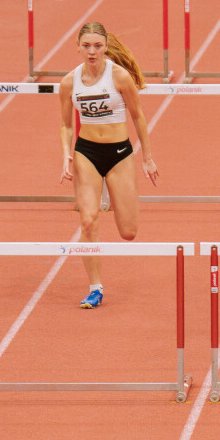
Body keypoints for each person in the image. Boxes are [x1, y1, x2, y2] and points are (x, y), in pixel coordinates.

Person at [58, 22, 157, 309]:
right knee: (88, 220)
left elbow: (138, 117)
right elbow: (66, 125)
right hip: (86, 153)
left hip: (119, 153)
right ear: (78, 47)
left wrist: (147, 158)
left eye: (97, 46)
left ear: (106, 47)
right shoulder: (69, 82)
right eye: (86, 46)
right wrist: (65, 154)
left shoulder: (119, 77)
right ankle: (95, 287)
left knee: (128, 232)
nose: (92, 51)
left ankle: (116, 196)